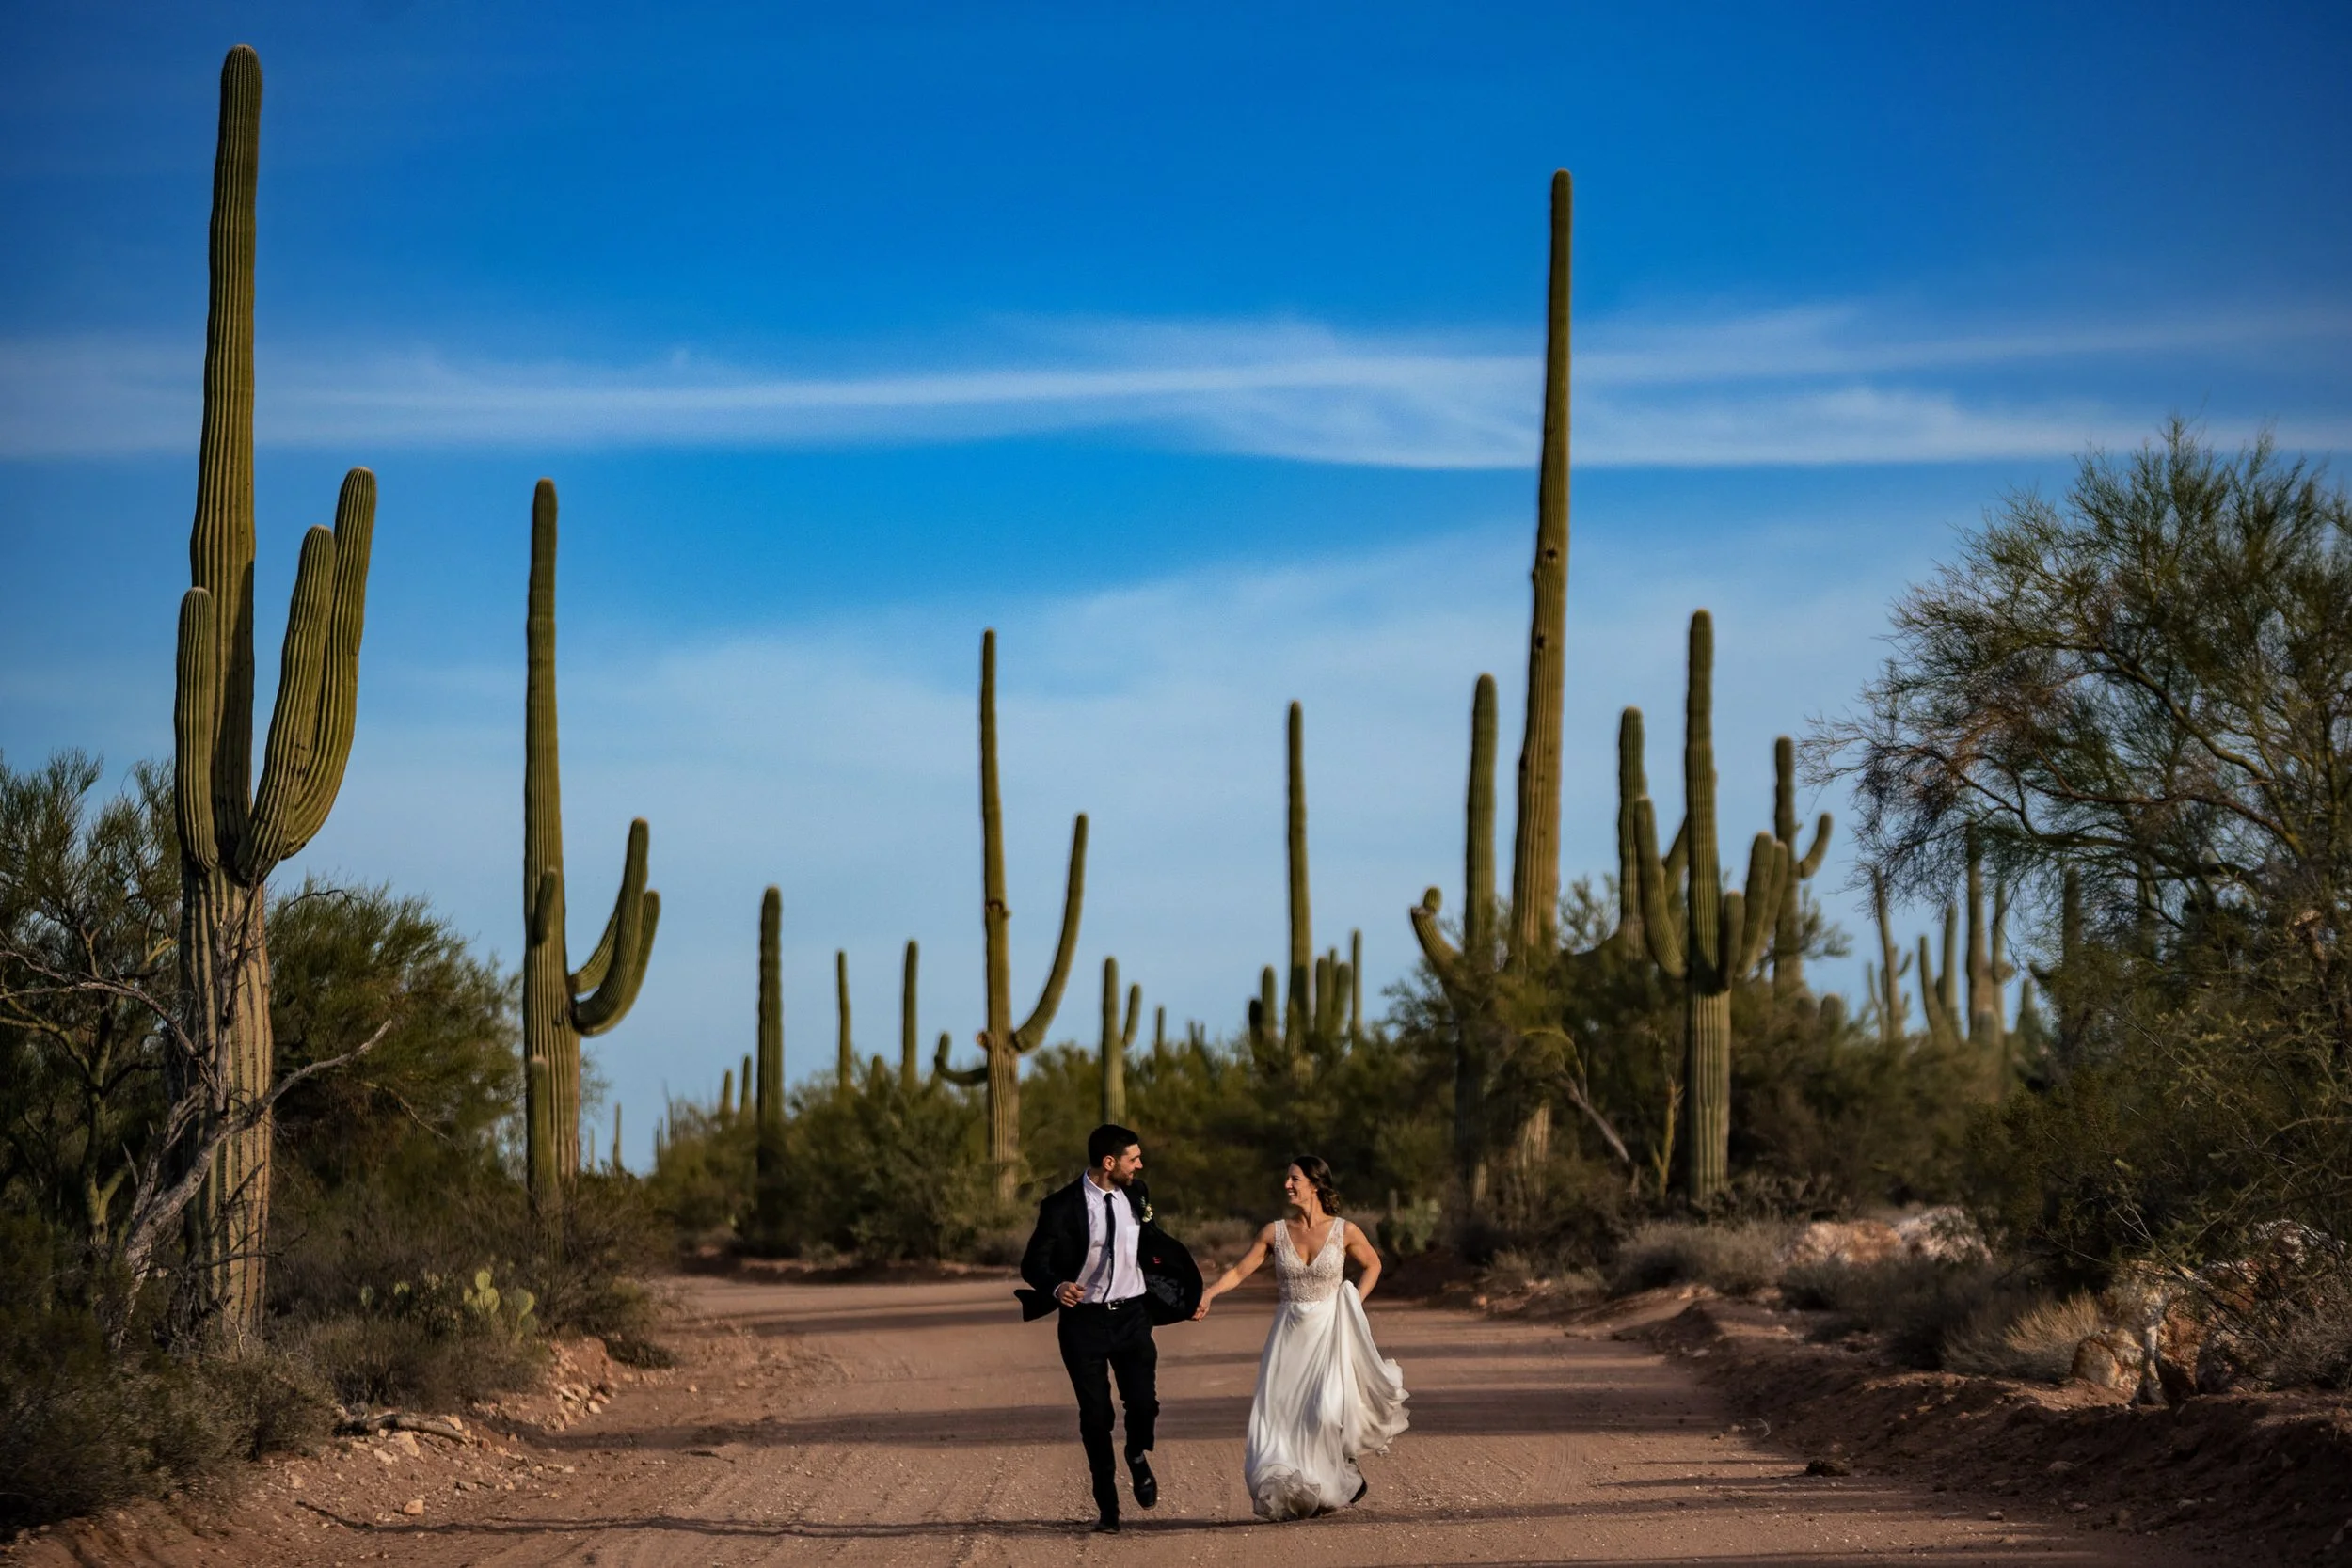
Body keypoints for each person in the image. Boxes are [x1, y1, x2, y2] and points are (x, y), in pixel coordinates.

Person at [1192, 1154, 1409, 1521]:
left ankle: (1335, 1475)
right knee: (1281, 1417)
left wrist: (1353, 1300)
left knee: (1325, 1412)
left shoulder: (1345, 1231)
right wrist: (1210, 1293)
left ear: (1315, 1184)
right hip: (1289, 1334)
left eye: (1294, 1179)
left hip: (1329, 1330)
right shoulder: (1275, 1231)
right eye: (1287, 1179)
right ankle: (1295, 1487)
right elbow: (1241, 1270)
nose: (1287, 1185)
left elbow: (1373, 1265)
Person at [1016, 1124, 1200, 1535]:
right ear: (1109, 1162)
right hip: (1084, 1323)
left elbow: (1152, 1245)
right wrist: (1056, 1285)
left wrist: (1182, 1294)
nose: (1141, 1165)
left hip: (1133, 1316)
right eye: (1134, 1158)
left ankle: (1136, 1455)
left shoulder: (1138, 1193)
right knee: (1096, 1416)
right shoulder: (1061, 1206)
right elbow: (1033, 1264)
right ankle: (1108, 1508)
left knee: (1143, 1405)